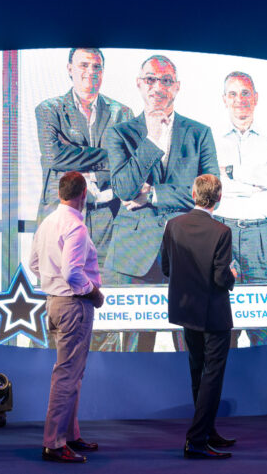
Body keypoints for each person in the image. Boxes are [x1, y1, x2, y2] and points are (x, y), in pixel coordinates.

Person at [105, 55, 219, 351]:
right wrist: (152, 140)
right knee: (134, 352)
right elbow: (125, 189)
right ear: (139, 84)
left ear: (177, 86)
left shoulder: (199, 133)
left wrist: (152, 195)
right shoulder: (120, 133)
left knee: (191, 348)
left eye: (166, 80)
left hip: (188, 254)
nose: (158, 86)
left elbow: (210, 193)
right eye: (150, 79)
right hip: (134, 256)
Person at [29, 171, 106, 463]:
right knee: (67, 375)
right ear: (84, 194)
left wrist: (53, 283)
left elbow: (34, 264)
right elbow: (73, 272)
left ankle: (70, 436)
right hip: (74, 305)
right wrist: (93, 293)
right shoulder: (76, 226)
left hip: (55, 303)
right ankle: (54, 443)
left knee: (71, 375)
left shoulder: (47, 222)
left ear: (61, 192)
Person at [160, 174, 237, 459]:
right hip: (213, 314)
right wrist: (232, 275)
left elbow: (166, 268)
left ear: (193, 194)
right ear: (219, 198)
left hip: (186, 311)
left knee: (198, 372)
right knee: (212, 376)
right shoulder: (222, 231)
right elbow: (220, 278)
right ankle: (196, 440)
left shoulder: (173, 225)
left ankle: (206, 431)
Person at [35, 48, 133, 266]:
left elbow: (127, 165)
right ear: (70, 69)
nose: (91, 71)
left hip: (108, 218)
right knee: (58, 282)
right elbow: (54, 157)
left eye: (96, 66)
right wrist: (109, 156)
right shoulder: (49, 110)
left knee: (104, 283)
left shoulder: (122, 113)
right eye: (84, 65)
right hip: (60, 214)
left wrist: (73, 155)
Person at [213, 71, 267, 348]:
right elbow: (214, 185)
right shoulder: (211, 139)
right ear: (224, 99)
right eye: (232, 94)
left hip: (263, 235)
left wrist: (232, 172)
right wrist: (254, 182)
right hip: (223, 232)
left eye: (245, 93)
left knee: (265, 330)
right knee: (222, 329)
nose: (239, 99)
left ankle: (265, 378)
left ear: (255, 98)